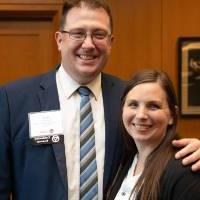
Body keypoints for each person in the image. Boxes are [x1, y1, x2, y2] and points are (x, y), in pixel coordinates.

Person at [0, 0, 200, 199]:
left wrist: (196, 150)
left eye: (98, 34)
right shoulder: (13, 100)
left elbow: (163, 147)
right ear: (60, 39)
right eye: (78, 33)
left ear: (111, 42)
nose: (88, 44)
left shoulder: (129, 101)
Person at [107, 69, 200, 200]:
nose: (140, 115)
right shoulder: (127, 160)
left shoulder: (186, 170)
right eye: (133, 105)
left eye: (153, 106)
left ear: (172, 115)